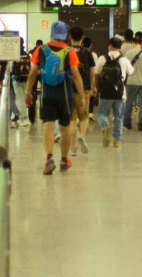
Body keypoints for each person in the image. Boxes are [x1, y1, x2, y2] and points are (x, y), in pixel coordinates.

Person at [32, 23, 88, 176]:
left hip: (46, 94)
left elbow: (32, 73)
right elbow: (76, 76)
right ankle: (64, 159)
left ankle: (49, 158)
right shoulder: (69, 51)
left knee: (48, 125)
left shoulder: (41, 50)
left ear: (51, 33)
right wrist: (82, 96)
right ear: (64, 35)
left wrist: (28, 92)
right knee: (65, 128)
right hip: (65, 93)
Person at [94, 36, 129, 148]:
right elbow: (131, 72)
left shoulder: (102, 58)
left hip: (105, 92)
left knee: (101, 113)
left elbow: (97, 73)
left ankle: (105, 126)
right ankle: (117, 141)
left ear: (110, 45)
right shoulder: (123, 59)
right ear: (120, 47)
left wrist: (94, 87)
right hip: (120, 93)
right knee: (119, 116)